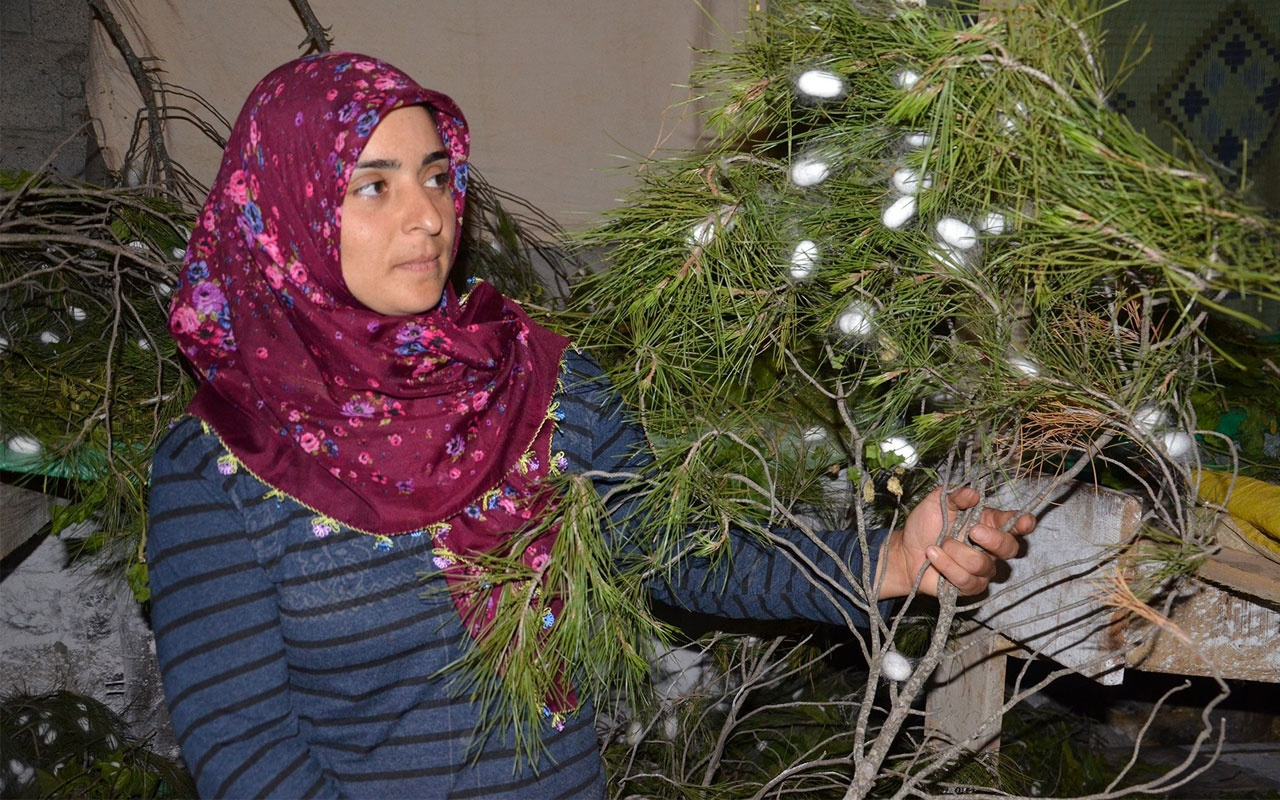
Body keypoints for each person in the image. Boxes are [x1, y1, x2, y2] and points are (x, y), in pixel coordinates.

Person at [147, 51, 1035, 799]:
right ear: (286, 217)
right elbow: (248, 757)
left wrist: (887, 557)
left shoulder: (539, 383)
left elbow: (679, 549)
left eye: (433, 175)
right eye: (371, 187)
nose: (426, 215)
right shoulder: (225, 465)